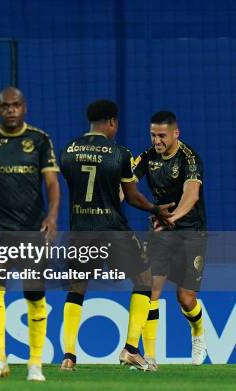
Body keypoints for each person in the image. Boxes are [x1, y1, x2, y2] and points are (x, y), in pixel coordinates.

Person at [59, 99, 173, 371]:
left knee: (77, 289)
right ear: (111, 122)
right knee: (144, 281)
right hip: (112, 228)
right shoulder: (119, 153)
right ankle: (131, 349)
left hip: (80, 229)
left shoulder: (67, 151)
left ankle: (68, 357)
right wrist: (156, 209)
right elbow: (132, 197)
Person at [0, 87, 60, 382]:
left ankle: (34, 362)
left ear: (25, 107)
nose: (11, 110)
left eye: (16, 105)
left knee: (34, 294)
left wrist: (51, 216)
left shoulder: (39, 140)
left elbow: (51, 183)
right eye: (5, 106)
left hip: (31, 229)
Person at [135, 111, 207, 369]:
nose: (157, 141)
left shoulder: (190, 158)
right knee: (151, 290)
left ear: (175, 133)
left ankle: (198, 332)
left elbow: (192, 195)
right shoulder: (146, 157)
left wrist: (172, 218)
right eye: (153, 135)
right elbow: (126, 184)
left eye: (162, 136)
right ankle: (150, 358)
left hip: (190, 231)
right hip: (161, 233)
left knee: (185, 297)